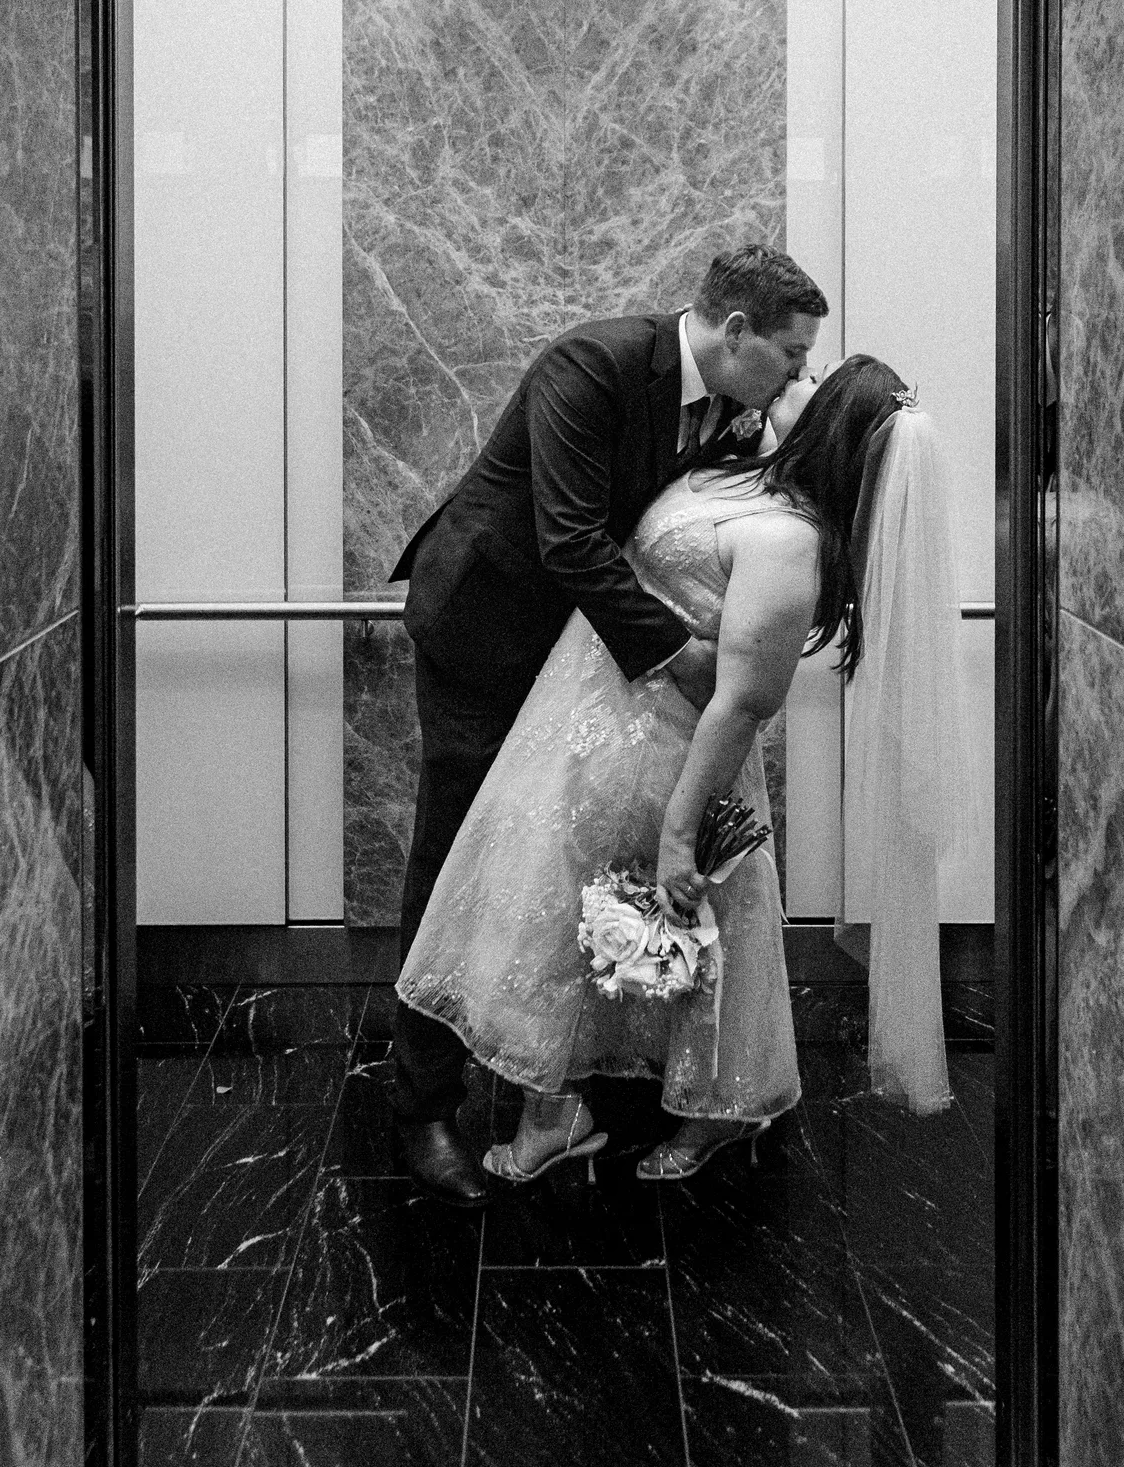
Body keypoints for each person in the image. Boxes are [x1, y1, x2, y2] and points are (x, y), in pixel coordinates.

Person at [396, 354, 929, 1185]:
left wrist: (683, 828)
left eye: (802, 383)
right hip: (582, 726)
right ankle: (562, 1109)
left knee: (625, 923)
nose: (786, 381)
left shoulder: (791, 543)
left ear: (825, 426)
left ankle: (698, 1109)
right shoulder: (748, 471)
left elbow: (742, 705)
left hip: (661, 750)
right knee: (553, 921)